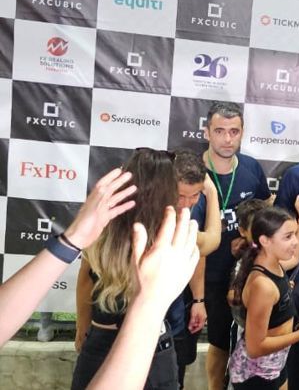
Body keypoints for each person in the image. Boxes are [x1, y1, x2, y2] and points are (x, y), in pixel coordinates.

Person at [73, 149, 181, 389]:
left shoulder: (103, 223)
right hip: (145, 340)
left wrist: (82, 325)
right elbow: (212, 240)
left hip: (123, 338)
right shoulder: (170, 231)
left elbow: (85, 279)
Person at [0, 168, 136, 347]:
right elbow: (86, 276)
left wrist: (73, 239)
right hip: (103, 332)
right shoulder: (103, 232)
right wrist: (82, 324)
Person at [190, 102, 272, 390]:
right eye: (220, 131)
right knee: (200, 342)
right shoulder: (191, 170)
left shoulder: (251, 168)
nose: (227, 139)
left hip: (239, 274)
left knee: (234, 340)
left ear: (242, 132)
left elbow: (264, 211)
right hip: (196, 273)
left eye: (234, 131)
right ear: (206, 132)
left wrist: (249, 238)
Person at [88, 206, 200, 390]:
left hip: (151, 339)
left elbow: (211, 241)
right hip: (105, 336)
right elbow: (85, 282)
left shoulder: (163, 241)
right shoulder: (103, 234)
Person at [228, 206, 299, 389]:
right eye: (288, 236)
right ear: (265, 240)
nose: (295, 241)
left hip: (275, 366)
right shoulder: (263, 286)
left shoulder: (275, 264)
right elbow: (255, 347)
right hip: (257, 375)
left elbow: (296, 257)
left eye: (294, 234)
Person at [171, 149, 222, 389]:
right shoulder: (156, 210)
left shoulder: (196, 205)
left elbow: (198, 254)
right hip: (146, 314)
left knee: (176, 374)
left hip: (178, 308)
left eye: (195, 195)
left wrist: (199, 300)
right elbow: (209, 242)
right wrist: (212, 194)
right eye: (181, 195)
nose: (187, 203)